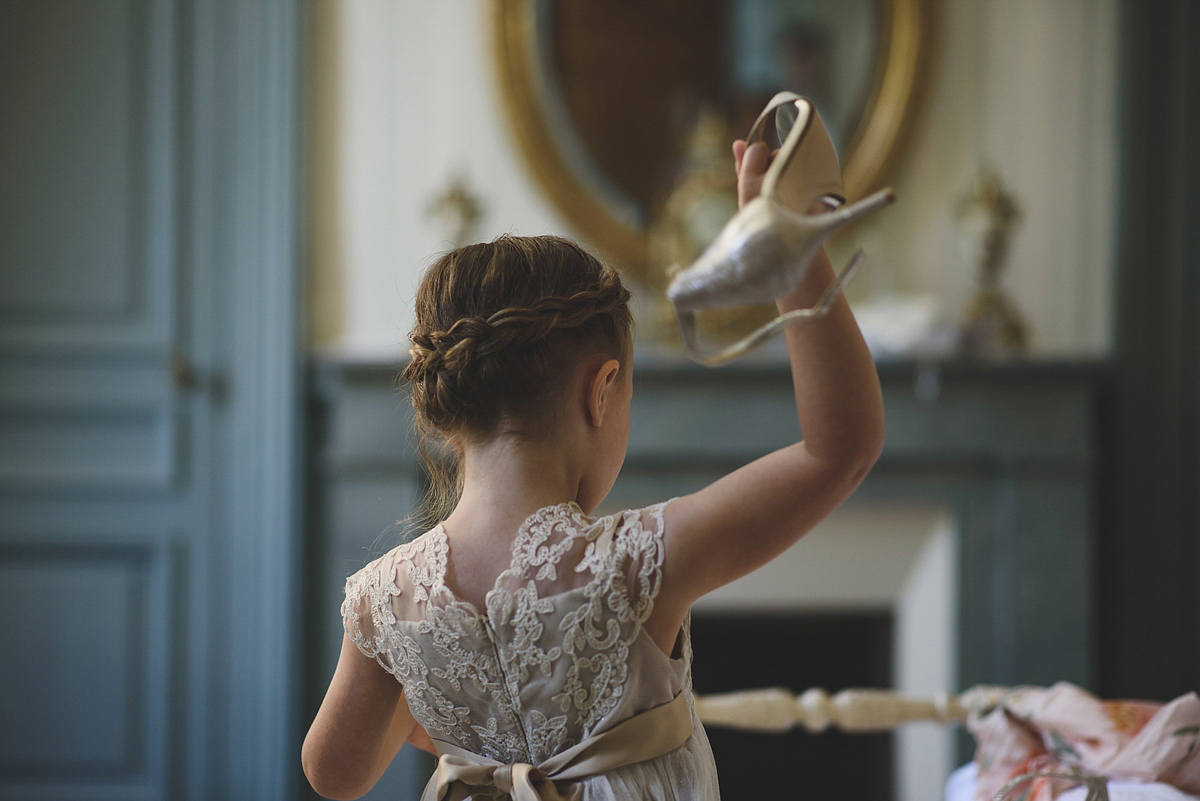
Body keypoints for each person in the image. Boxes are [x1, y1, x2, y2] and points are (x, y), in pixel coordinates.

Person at [302, 139, 886, 800]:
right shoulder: (639, 563)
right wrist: (791, 253)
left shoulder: (385, 600)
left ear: (443, 411)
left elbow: (334, 773)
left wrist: (452, 700)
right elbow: (841, 450)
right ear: (601, 391)